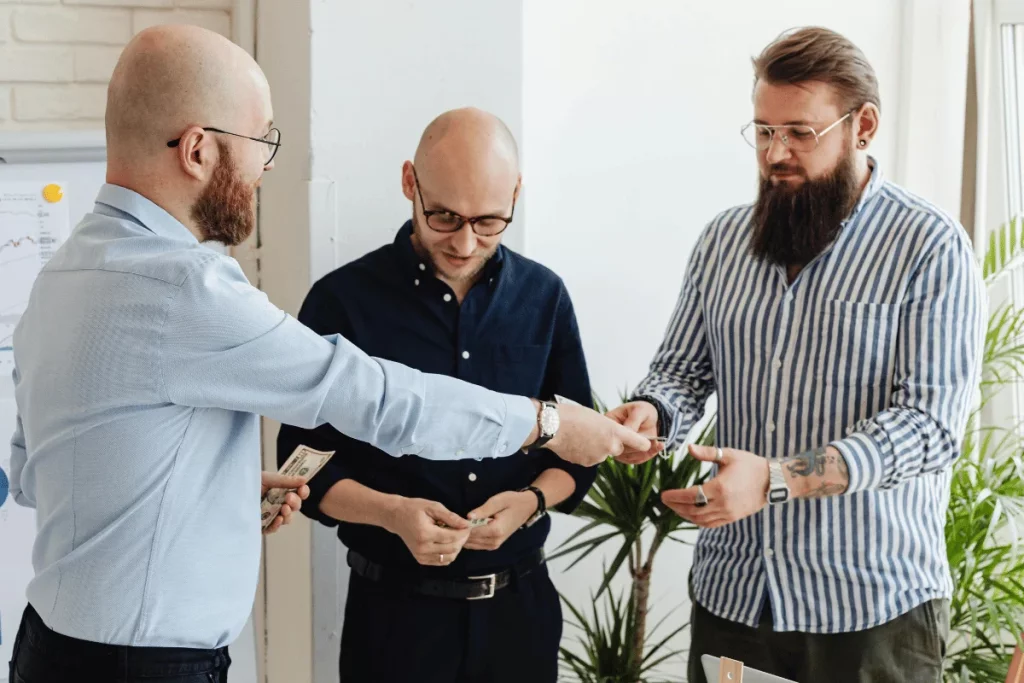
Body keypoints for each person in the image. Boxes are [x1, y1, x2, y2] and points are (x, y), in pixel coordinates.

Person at [7, 26, 651, 683]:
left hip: (51, 649)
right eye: (262, 140)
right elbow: (380, 400)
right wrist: (550, 423)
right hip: (142, 668)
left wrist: (211, 491)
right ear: (198, 149)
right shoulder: (185, 286)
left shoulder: (63, 274)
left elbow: (39, 474)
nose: (267, 166)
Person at [609, 26, 984, 683]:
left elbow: (929, 429)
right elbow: (681, 371)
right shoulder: (721, 242)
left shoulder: (929, 247)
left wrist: (778, 477)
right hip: (735, 598)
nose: (775, 153)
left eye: (799, 133)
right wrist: (652, 412)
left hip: (870, 609)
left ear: (862, 125)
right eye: (761, 131)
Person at [277, 107, 595, 682]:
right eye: (445, 216)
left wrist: (529, 504)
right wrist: (392, 514)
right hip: (394, 622)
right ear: (409, 183)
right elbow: (302, 461)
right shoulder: (341, 300)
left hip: (519, 617)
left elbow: (577, 448)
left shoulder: (545, 296)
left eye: (491, 221)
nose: (466, 242)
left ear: (517, 193)